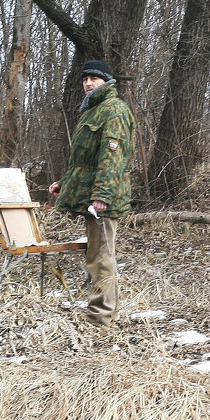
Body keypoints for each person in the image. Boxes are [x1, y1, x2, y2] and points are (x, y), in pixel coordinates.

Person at [48, 60, 135, 327]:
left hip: (103, 199)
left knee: (101, 257)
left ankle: (101, 317)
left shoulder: (114, 110)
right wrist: (66, 182)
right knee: (96, 255)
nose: (88, 83)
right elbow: (85, 160)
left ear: (107, 82)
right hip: (94, 196)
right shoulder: (93, 111)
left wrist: (103, 196)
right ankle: (103, 312)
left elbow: (112, 156)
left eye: (94, 79)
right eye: (85, 78)